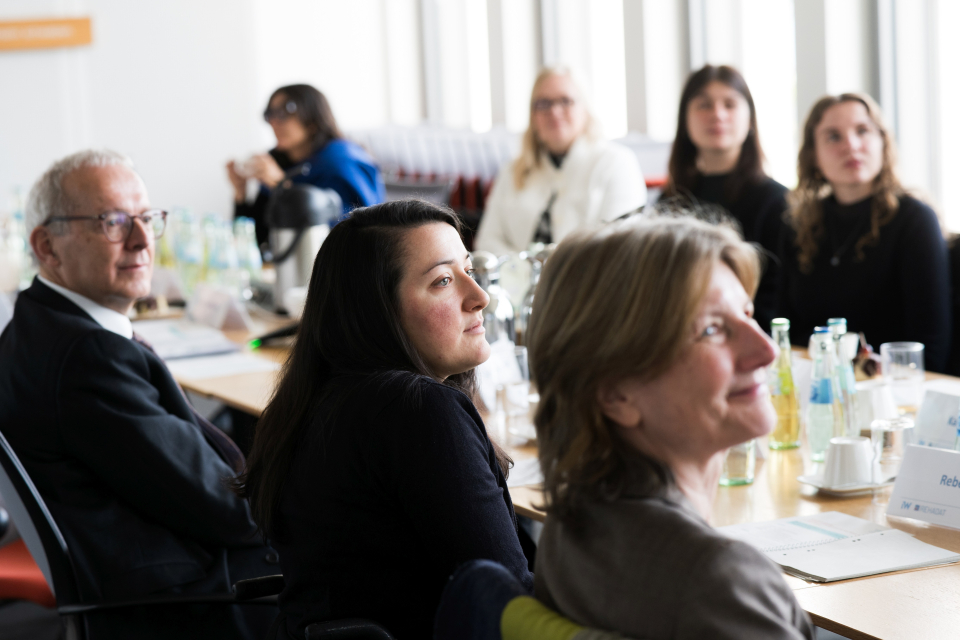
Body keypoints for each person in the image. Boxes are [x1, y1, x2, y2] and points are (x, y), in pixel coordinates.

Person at [0, 150, 277, 640]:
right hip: (195, 599)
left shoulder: (38, 323)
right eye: (113, 222)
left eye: (148, 218)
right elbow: (233, 512)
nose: (142, 239)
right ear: (47, 246)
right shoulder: (88, 358)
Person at [235, 200, 534, 639]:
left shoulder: (316, 396)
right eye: (444, 281)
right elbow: (510, 607)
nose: (480, 296)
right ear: (376, 311)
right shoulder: (419, 411)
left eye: (469, 269)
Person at [526, 215, 815, 639]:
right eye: (712, 329)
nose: (766, 350)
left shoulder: (567, 529)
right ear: (616, 395)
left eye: (747, 314)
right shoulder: (716, 580)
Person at [779, 93, 950, 371]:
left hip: (893, 392)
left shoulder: (915, 220)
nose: (852, 145)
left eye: (863, 131)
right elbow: (785, 331)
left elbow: (930, 348)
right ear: (813, 156)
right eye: (833, 136)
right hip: (816, 384)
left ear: (883, 142)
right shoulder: (798, 226)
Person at [660, 64, 788, 331]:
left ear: (750, 118)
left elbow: (777, 299)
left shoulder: (777, 202)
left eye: (730, 104)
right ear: (685, 120)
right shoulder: (670, 200)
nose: (717, 115)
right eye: (704, 105)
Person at [474, 67, 646, 256]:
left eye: (566, 101)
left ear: (585, 109)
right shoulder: (512, 170)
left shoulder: (617, 163)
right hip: (518, 282)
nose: (554, 111)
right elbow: (487, 241)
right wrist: (525, 271)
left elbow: (620, 245)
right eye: (543, 103)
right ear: (533, 115)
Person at [227, 84, 386, 246]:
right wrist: (240, 193)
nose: (274, 122)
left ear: (312, 118)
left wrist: (281, 186)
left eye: (283, 112)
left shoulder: (342, 161)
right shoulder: (278, 161)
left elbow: (349, 236)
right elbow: (255, 241)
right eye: (269, 114)